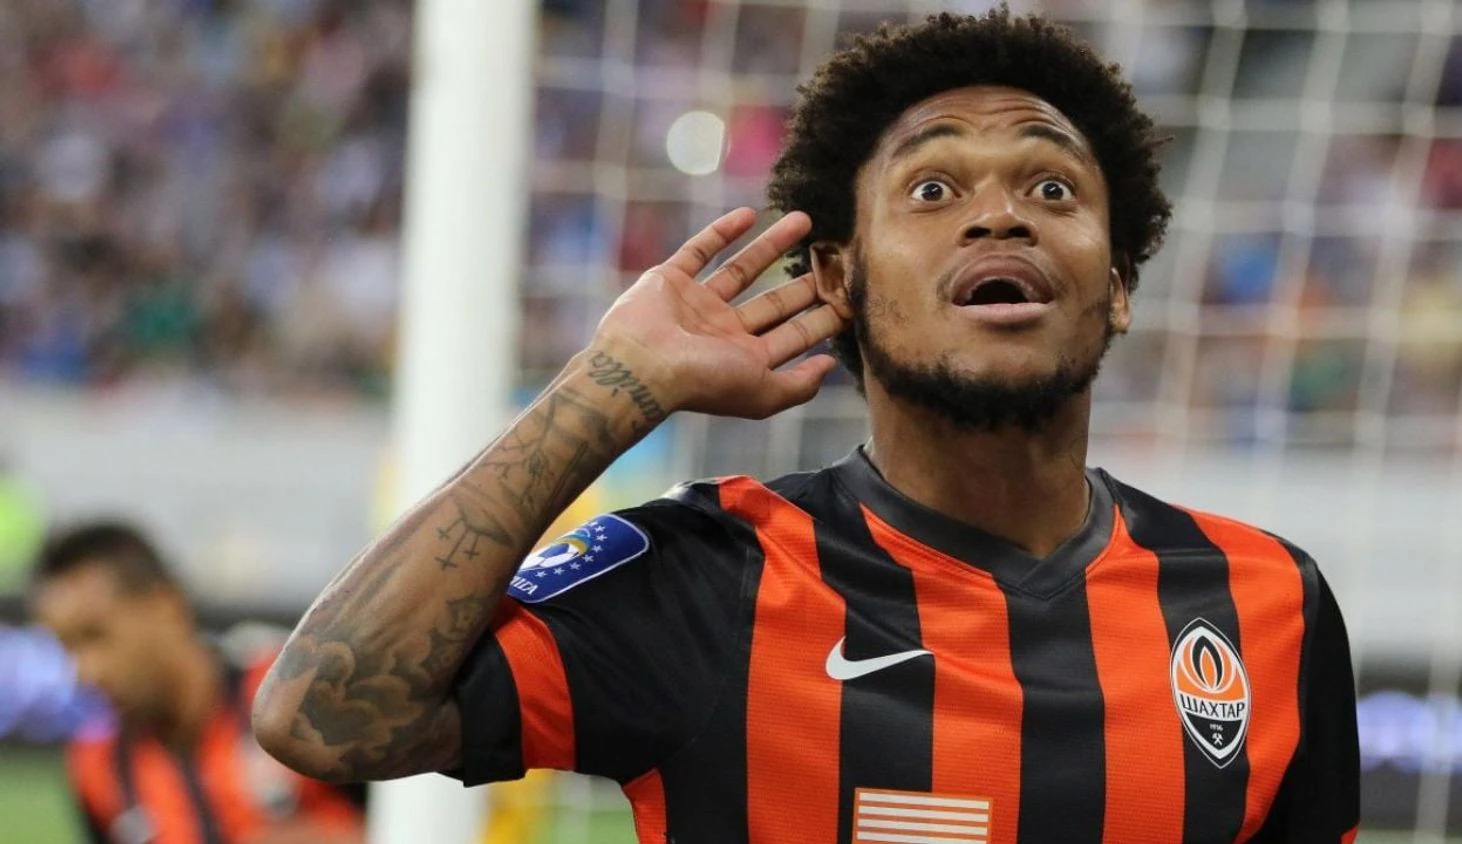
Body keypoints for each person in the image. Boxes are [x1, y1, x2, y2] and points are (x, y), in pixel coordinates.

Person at [253, 10, 1360, 843]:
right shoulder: (711, 577)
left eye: (1053, 190)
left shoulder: (1266, 602)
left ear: (1116, 285)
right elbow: (323, 719)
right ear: (838, 277)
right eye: (933, 190)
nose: (1000, 213)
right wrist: (610, 387)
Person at [30, 521, 365, 844]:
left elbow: (395, 818)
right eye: (66, 648)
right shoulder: (97, 767)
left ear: (165, 605)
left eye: (95, 635)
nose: (85, 672)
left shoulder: (296, 695)